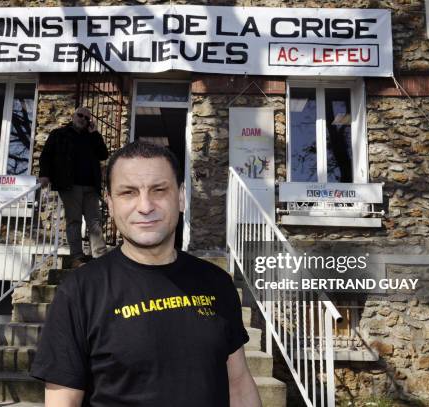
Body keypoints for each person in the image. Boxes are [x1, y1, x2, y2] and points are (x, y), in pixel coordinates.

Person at [31, 142, 262, 407]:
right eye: (128, 193)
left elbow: (239, 383)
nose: (145, 206)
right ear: (110, 203)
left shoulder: (217, 282)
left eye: (159, 190)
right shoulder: (79, 292)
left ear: (181, 197)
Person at [39, 107, 109, 267]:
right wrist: (44, 175)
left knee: (94, 221)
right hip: (70, 185)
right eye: (80, 115)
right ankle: (77, 256)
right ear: (73, 116)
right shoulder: (59, 135)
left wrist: (95, 133)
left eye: (86, 117)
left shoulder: (91, 137)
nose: (83, 119)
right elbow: (46, 156)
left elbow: (103, 154)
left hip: (91, 187)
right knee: (74, 221)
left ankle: (100, 256)